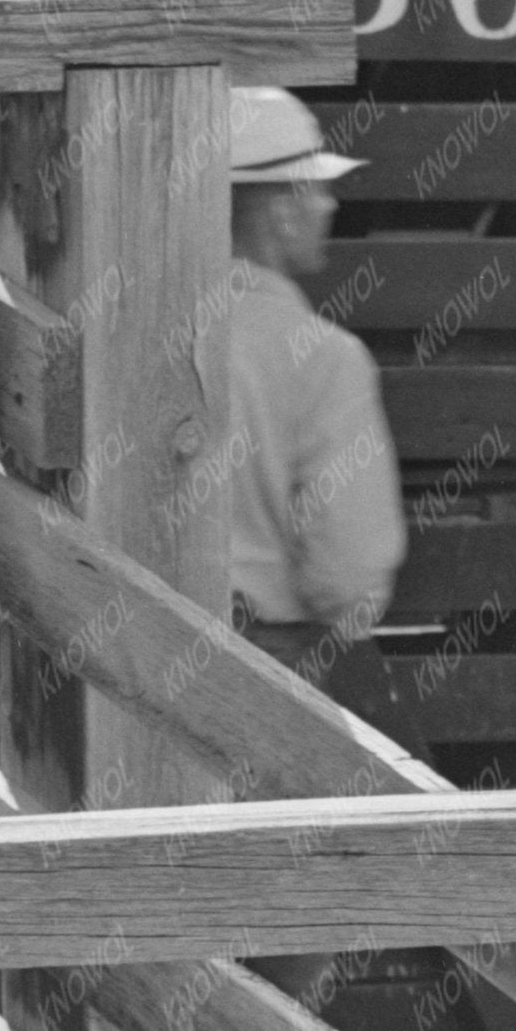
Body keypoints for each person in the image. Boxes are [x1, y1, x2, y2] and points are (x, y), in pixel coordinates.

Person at [221, 83, 408, 670]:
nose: (330, 206)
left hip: (129, 654)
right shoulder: (327, 359)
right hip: (269, 667)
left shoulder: (134, 331)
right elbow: (348, 578)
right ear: (279, 210)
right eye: (318, 188)